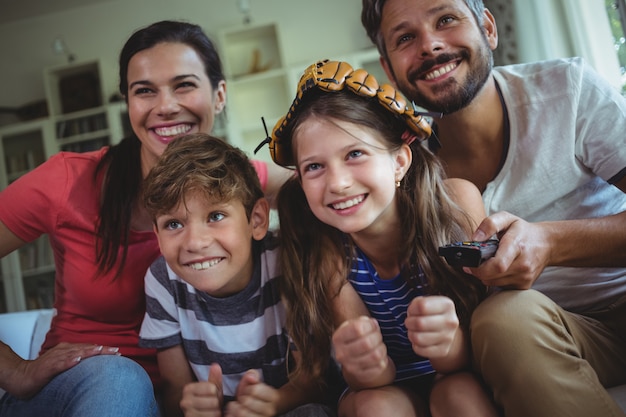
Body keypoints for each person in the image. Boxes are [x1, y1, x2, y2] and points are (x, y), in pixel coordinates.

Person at [0, 20, 289, 416]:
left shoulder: (239, 183)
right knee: (123, 379)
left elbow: (329, 190)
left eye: (184, 84)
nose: (166, 105)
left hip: (186, 400)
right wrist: (14, 370)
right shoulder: (66, 180)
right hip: (85, 389)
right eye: (144, 91)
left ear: (219, 94)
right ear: (128, 103)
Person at [360, 0, 626, 416]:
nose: (429, 45)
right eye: (406, 37)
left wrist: (551, 243)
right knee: (501, 319)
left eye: (445, 19)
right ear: (389, 69)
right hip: (552, 335)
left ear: (488, 27)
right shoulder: (400, 169)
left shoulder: (567, 88)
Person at [260, 59, 498, 417]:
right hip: (384, 389)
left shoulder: (456, 205)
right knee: (377, 407)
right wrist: (362, 363)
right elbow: (372, 382)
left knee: (460, 394)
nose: (338, 183)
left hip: (461, 370)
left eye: (355, 154)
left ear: (400, 161)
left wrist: (448, 344)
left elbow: (486, 347)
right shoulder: (329, 250)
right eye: (314, 166)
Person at [139, 132, 334, 417]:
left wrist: (274, 404)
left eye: (215, 216)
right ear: (156, 234)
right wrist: (192, 404)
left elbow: (313, 380)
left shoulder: (285, 260)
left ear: (256, 220)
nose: (195, 242)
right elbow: (174, 391)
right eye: (173, 224)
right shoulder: (162, 281)